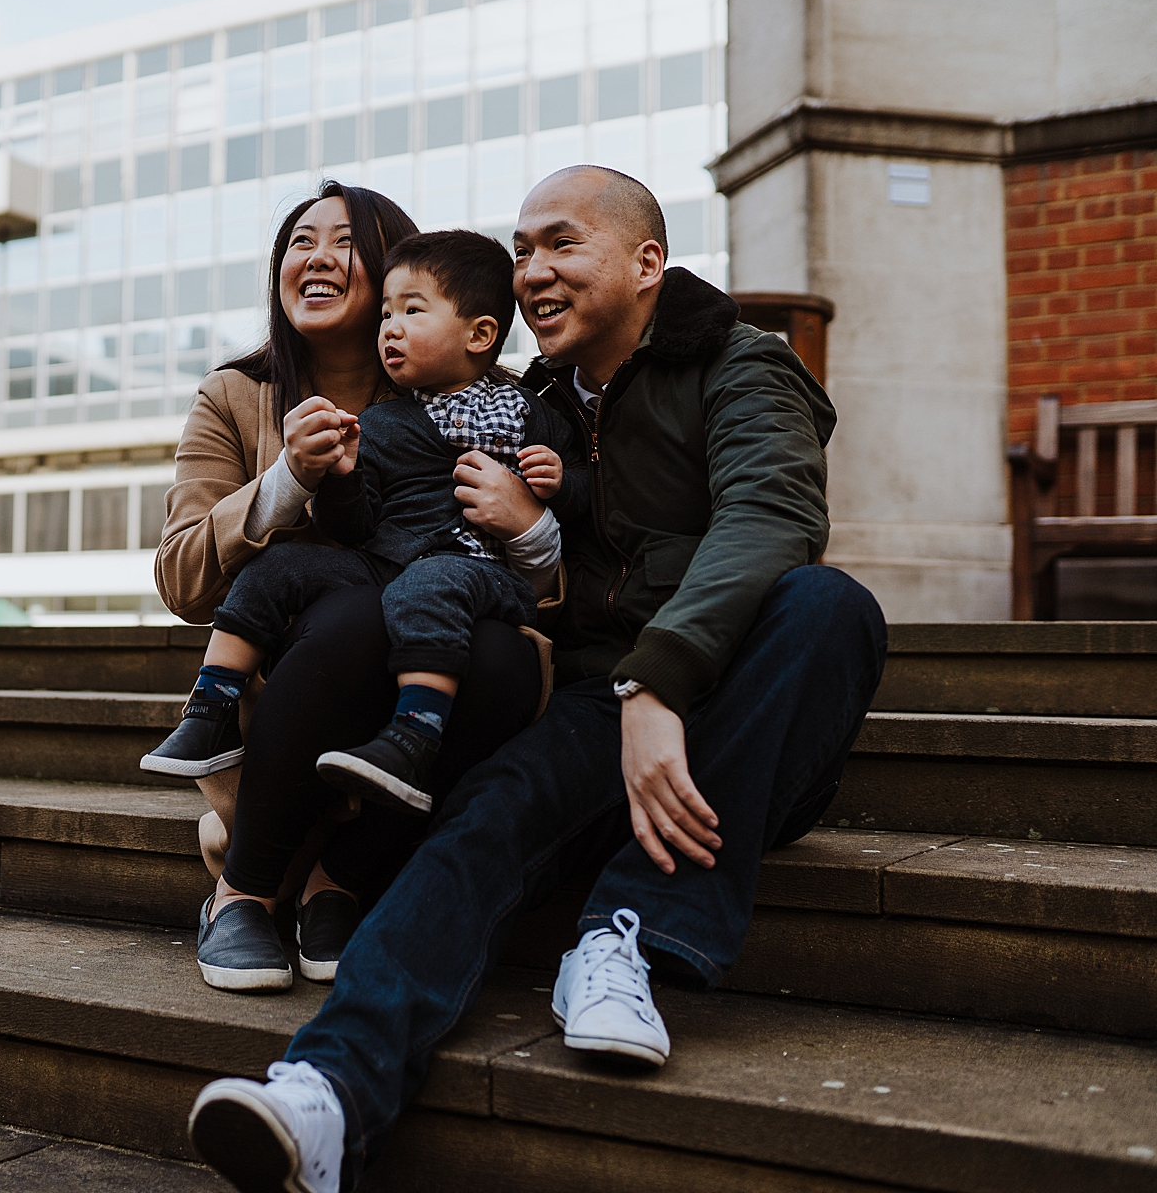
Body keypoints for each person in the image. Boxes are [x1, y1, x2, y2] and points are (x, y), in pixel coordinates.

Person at [185, 165, 888, 1193]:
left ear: (647, 262)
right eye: (520, 251)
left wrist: (661, 684)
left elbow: (772, 520)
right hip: (596, 705)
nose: (533, 272)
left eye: (563, 243)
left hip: (735, 714)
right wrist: (523, 533)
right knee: (476, 829)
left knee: (830, 608)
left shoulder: (738, 366)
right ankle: (327, 1090)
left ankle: (625, 935)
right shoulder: (525, 407)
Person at [155, 184, 571, 993]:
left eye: (342, 242)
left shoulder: (476, 398)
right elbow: (181, 578)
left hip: (430, 673)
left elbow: (559, 585)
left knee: (502, 655)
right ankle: (242, 890)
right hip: (295, 685)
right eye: (297, 241)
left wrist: (527, 524)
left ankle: (335, 882)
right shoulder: (236, 396)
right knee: (351, 616)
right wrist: (286, 482)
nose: (313, 257)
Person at [143, 230, 586, 819]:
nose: (391, 328)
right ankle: (209, 710)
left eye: (410, 310)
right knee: (283, 565)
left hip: (478, 571)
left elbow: (583, 499)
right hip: (381, 567)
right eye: (387, 314)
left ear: (478, 334)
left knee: (427, 588)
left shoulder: (530, 407)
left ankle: (413, 736)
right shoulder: (378, 420)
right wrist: (333, 479)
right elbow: (353, 525)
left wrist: (553, 492)